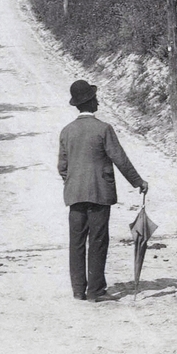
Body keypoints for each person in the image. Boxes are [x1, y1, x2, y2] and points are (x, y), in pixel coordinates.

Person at [58, 79, 147, 302]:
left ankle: (78, 290)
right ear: (91, 101)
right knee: (98, 240)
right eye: (95, 98)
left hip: (74, 195)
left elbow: (62, 166)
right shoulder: (103, 129)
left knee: (76, 242)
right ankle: (95, 291)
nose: (98, 101)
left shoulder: (66, 131)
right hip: (99, 194)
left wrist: (73, 182)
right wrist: (138, 182)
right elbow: (120, 159)